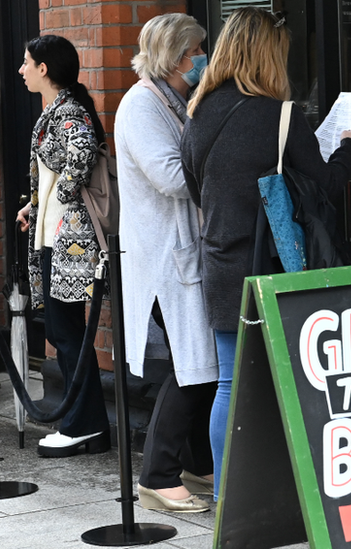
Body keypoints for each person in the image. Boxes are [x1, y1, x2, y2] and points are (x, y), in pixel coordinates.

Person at [180, 7, 351, 498]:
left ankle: (228, 496)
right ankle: (304, 492)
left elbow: (195, 188)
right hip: (279, 266)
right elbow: (324, 183)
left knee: (229, 384)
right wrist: (349, 147)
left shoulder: (198, 110)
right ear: (268, 55)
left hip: (222, 262)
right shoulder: (280, 115)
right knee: (304, 382)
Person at [115, 13, 218, 513]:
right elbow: (173, 177)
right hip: (165, 258)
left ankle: (196, 465)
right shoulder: (141, 105)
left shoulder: (173, 99)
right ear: (178, 57)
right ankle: (156, 476)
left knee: (199, 364)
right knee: (192, 368)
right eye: (198, 50)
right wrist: (223, 160)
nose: (204, 57)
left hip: (184, 254)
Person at [15, 34, 110, 458]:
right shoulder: (60, 110)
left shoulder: (68, 112)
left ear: (44, 69)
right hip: (55, 232)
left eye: (26, 62)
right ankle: (85, 422)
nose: (21, 70)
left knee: (67, 331)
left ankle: (83, 425)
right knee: (63, 330)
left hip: (69, 239)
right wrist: (36, 208)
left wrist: (64, 198)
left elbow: (82, 156)